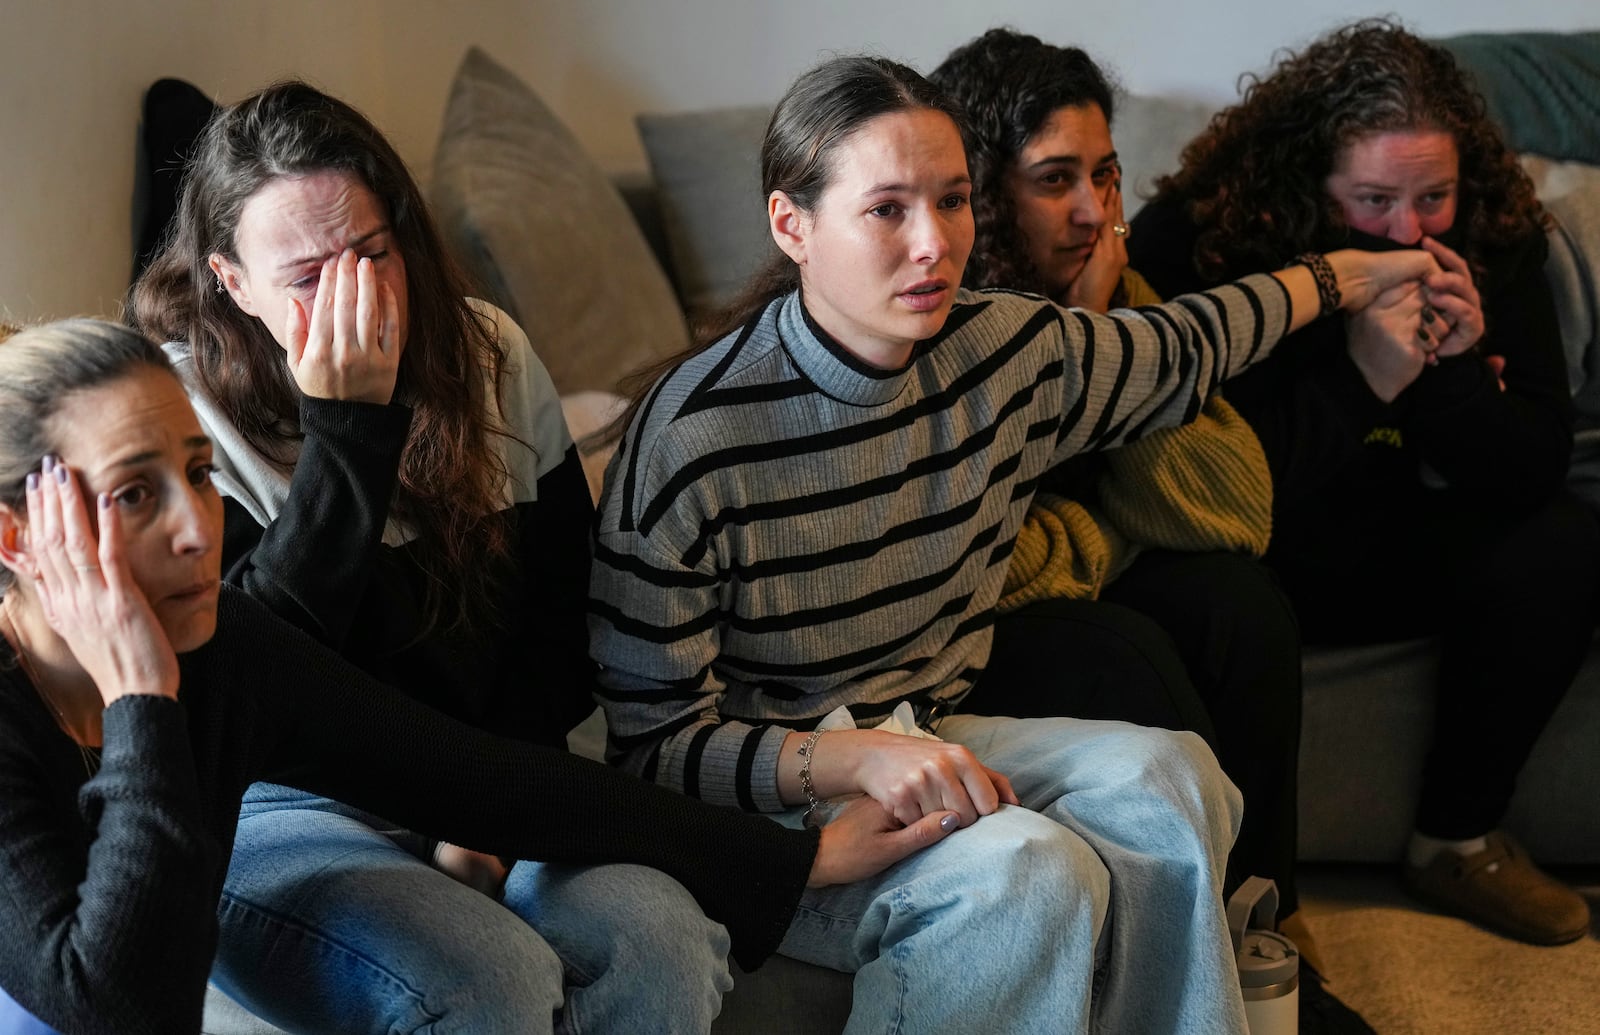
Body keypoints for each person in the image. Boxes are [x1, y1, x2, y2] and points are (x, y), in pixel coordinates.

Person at [588, 54, 1440, 1033]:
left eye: (951, 202)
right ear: (793, 225)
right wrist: (848, 762)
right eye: (887, 210)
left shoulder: (1004, 348)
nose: (932, 245)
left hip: (925, 727)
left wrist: (1349, 277)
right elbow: (650, 748)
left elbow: (1188, 342)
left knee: (1175, 777)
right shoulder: (696, 435)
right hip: (774, 790)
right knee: (1036, 868)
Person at [0, 318, 953, 1035]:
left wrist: (793, 859)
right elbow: (122, 1006)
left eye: (200, 475)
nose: (195, 528)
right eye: (134, 491)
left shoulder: (222, 649)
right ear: (15, 536)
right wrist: (139, 701)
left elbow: (484, 781)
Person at [127, 80, 767, 1033]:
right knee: (484, 975)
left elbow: (559, 625)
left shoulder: (489, 353)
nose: (356, 295)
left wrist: (484, 816)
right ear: (232, 280)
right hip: (285, 804)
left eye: (373, 253)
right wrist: (349, 427)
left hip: (485, 771)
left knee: (659, 938)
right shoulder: (182, 421)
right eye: (307, 277)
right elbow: (257, 692)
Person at [925, 27, 1382, 1032]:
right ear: (982, 192)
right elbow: (988, 568)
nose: (1092, 211)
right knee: (1121, 644)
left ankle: (1266, 923)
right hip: (946, 644)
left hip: (1054, 587)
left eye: (1104, 174)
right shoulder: (939, 317)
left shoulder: (1114, 293)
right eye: (1054, 181)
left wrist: (1111, 337)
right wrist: (1105, 531)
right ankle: (1202, 949)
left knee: (1239, 606)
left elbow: (1231, 510)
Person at [1129, 18, 1600, 947]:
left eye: (1435, 196)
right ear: (1314, 182)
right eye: (1376, 199)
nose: (1410, 232)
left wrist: (1455, 376)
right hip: (1265, 546)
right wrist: (1361, 381)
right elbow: (1208, 489)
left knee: (1561, 541)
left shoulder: (1497, 235)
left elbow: (1532, 463)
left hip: (1406, 537)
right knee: (1219, 597)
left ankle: (1457, 838)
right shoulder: (1208, 237)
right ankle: (1259, 898)